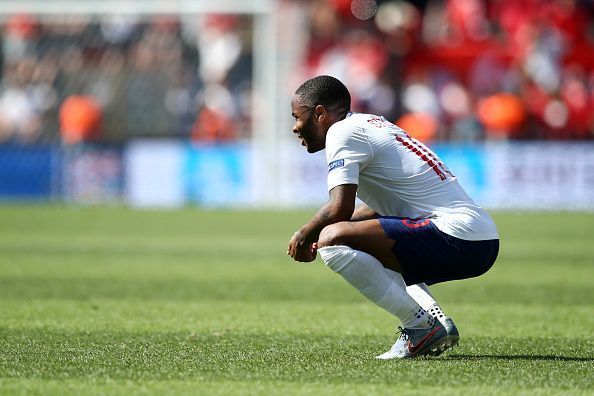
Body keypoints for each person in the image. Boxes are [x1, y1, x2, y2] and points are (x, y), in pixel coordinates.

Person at [287, 75, 499, 359]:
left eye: (297, 117)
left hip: (457, 234)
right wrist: (347, 228)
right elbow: (383, 208)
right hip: (480, 238)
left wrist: (305, 234)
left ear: (320, 113)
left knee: (332, 240)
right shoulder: (370, 123)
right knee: (361, 238)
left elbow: (339, 208)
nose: (294, 127)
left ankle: (419, 326)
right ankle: (434, 320)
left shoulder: (341, 132)